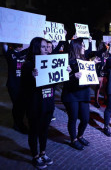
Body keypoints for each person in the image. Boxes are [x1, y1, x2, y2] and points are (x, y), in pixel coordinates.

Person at [21, 37, 70, 169]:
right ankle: (35, 155)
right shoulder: (28, 65)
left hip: (48, 104)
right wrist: (32, 77)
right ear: (36, 48)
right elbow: (24, 87)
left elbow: (54, 83)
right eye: (43, 47)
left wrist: (65, 73)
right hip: (35, 105)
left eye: (47, 47)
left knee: (44, 131)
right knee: (34, 131)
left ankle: (43, 152)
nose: (47, 50)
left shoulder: (50, 62)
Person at [61, 37, 92, 150]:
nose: (84, 47)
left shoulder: (85, 60)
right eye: (83, 45)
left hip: (83, 93)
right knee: (73, 118)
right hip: (71, 94)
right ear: (77, 47)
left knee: (85, 118)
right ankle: (73, 139)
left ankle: (80, 136)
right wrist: (72, 76)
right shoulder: (67, 61)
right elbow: (62, 79)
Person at [2, 42, 28, 134]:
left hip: (23, 85)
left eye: (21, 45)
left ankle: (19, 122)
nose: (20, 47)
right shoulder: (10, 53)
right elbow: (4, 44)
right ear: (13, 45)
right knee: (17, 105)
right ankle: (18, 124)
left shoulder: (24, 53)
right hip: (13, 85)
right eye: (18, 46)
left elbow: (34, 46)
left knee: (22, 105)